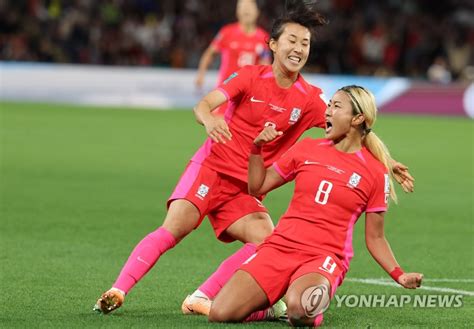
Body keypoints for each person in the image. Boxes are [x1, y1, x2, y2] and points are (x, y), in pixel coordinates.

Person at [93, 1, 414, 315]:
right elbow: (204, 105)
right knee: (173, 229)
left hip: (246, 187)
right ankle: (118, 290)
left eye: (305, 43)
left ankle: (201, 297)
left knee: (267, 241)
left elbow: (353, 126)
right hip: (211, 169)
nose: (299, 49)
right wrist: (210, 119)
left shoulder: (311, 100)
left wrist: (388, 162)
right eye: (292, 40)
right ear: (273, 44)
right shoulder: (250, 76)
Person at [208, 85, 423, 327]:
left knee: (299, 310)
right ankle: (274, 307)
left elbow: (375, 238)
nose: (328, 112)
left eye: (336, 106)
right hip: (280, 246)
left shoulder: (375, 172)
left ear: (357, 118)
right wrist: (257, 148)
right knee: (220, 313)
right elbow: (257, 187)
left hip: (324, 257)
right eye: (329, 105)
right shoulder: (306, 148)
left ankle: (301, 298)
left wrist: (399, 274)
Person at [195, 0, 271, 90]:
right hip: (225, 91)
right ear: (237, 12)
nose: (246, 11)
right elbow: (209, 53)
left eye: (250, 8)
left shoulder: (263, 37)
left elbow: (265, 65)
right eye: (242, 8)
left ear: (257, 12)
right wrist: (201, 74)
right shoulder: (226, 32)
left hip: (248, 92)